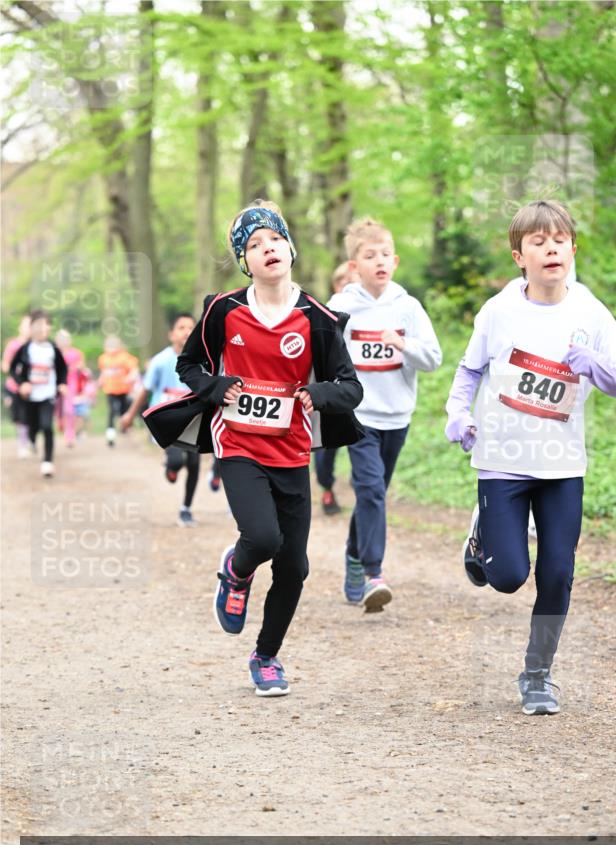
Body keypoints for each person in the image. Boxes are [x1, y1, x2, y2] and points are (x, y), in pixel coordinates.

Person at [143, 200, 363, 696]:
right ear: (245, 262)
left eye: (274, 240)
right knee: (262, 539)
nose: (267, 249)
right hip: (238, 442)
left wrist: (318, 394)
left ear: (291, 247)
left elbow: (351, 387)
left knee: (295, 566)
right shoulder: (223, 310)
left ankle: (266, 657)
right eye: (254, 245)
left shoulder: (319, 317)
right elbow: (189, 367)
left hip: (292, 450)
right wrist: (216, 387)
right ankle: (236, 570)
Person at [445, 200, 616, 715]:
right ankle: (483, 533)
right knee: (508, 576)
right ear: (519, 256)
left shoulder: (590, 311)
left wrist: (594, 363)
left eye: (559, 239)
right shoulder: (499, 310)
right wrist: (457, 414)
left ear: (572, 249)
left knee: (557, 574)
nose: (550, 246)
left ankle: (537, 674)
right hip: (502, 459)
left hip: (561, 466)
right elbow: (468, 372)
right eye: (537, 240)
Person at [329, 216, 442, 612]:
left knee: (372, 495)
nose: (379, 260)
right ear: (354, 266)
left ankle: (354, 556)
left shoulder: (408, 307)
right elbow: (322, 355)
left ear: (395, 262)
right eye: (369, 254)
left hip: (397, 417)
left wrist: (404, 345)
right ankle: (375, 572)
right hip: (357, 416)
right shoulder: (341, 307)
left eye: (385, 254)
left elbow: (433, 358)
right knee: (371, 490)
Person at [120, 313, 200, 527]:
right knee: (176, 461)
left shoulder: (201, 359)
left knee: (193, 463)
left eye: (191, 328)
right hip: (168, 421)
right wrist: (129, 414)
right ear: (171, 334)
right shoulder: (160, 361)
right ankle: (171, 466)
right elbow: (145, 390)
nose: (187, 332)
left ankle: (186, 509)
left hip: (192, 421)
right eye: (182, 327)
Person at [313, 262, 361, 517]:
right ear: (335, 285)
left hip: (359, 393)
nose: (348, 286)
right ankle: (326, 486)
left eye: (353, 281)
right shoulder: (327, 313)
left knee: (360, 441)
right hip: (331, 390)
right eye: (344, 281)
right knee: (327, 448)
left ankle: (360, 484)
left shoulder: (367, 313)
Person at [10, 310, 67, 476]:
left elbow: (62, 368)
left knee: (47, 426)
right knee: (33, 425)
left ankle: (47, 462)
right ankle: (32, 440)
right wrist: (22, 384)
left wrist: (62, 383)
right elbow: (14, 369)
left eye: (47, 325)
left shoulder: (53, 349)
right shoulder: (25, 348)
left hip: (48, 394)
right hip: (30, 397)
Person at [97, 335, 138, 446]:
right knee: (112, 410)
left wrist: (129, 378)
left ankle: (125, 428)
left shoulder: (125, 357)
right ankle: (110, 435)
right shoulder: (103, 358)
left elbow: (134, 370)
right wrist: (99, 382)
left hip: (123, 390)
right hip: (110, 390)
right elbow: (103, 373)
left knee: (123, 411)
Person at [2, 313, 31, 457]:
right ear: (20, 328)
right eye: (26, 325)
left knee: (29, 415)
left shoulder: (36, 345)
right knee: (18, 417)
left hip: (32, 388)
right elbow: (5, 365)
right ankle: (24, 441)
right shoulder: (13, 345)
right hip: (14, 387)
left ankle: (26, 441)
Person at [54, 329, 88, 448]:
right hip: (56, 384)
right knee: (57, 410)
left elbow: (82, 366)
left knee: (69, 410)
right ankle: (60, 424)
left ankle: (69, 436)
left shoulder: (75, 353)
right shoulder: (54, 353)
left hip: (71, 384)